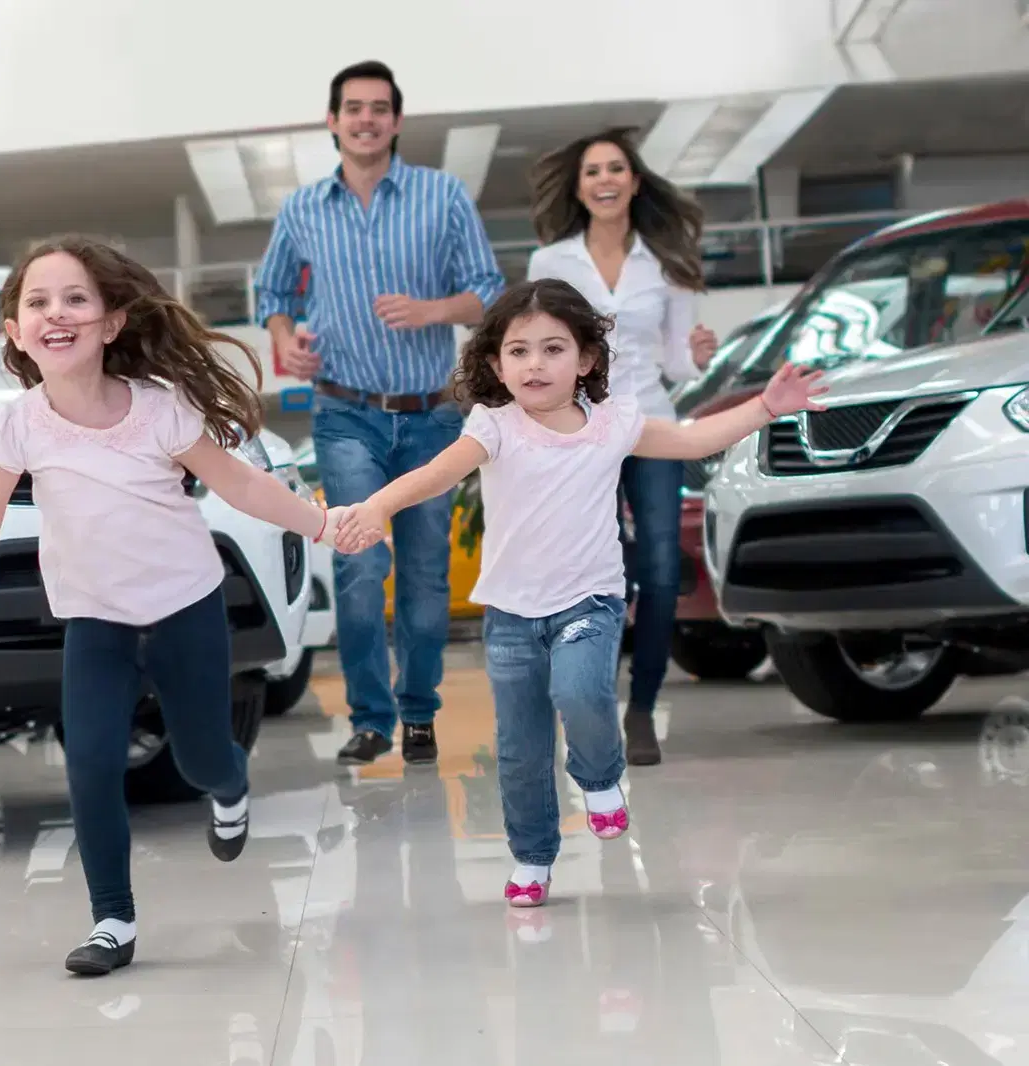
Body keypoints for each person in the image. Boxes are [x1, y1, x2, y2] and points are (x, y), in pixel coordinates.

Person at [333, 278, 826, 906]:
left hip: (589, 601)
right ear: (496, 364)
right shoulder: (494, 426)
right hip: (511, 615)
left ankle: (599, 777)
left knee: (581, 689)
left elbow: (693, 440)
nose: (535, 364)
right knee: (520, 749)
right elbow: (435, 474)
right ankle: (533, 859)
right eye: (518, 352)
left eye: (553, 348)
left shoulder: (613, 424)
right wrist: (377, 507)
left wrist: (765, 407)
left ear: (587, 359)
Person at [0, 236, 349, 976]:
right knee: (91, 767)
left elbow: (240, 485)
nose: (55, 314)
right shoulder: (16, 424)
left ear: (111, 323)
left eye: (75, 299)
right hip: (94, 622)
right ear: (13, 331)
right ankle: (112, 921)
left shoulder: (159, 410)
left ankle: (232, 785)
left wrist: (321, 524)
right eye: (37, 302)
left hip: (184, 611)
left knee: (199, 761)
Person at [255, 59, 505, 767]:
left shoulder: (442, 195)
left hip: (431, 419)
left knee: (425, 573)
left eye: (379, 108)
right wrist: (283, 339)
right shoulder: (303, 209)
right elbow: (270, 292)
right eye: (352, 108)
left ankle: (419, 712)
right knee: (361, 564)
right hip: (345, 412)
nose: (365, 119)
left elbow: (488, 289)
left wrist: (434, 310)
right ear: (332, 121)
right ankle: (370, 718)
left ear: (396, 121)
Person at [525, 127, 720, 767]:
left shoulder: (666, 263)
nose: (605, 180)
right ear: (579, 188)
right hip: (582, 435)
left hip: (651, 424)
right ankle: (597, 704)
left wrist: (693, 357)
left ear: (635, 181)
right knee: (597, 573)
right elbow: (543, 353)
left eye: (616, 169)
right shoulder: (550, 263)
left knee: (661, 569)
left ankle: (642, 708)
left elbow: (675, 364)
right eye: (592, 172)